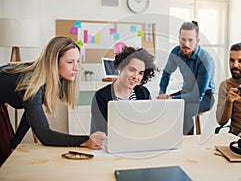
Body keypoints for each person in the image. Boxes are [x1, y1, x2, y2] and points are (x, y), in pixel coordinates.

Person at [0, 36, 106, 166]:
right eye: (70, 62)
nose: (76, 68)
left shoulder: (46, 81)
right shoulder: (32, 84)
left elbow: (30, 115)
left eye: (77, 61)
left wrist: (14, 145)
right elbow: (45, 135)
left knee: (7, 153)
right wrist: (86, 140)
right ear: (53, 63)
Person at [157, 21, 215, 135]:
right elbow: (166, 73)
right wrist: (162, 93)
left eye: (190, 40)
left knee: (185, 110)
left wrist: (172, 98)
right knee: (165, 104)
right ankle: (170, 138)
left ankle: (188, 143)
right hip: (187, 91)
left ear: (197, 41)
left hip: (205, 98)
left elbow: (196, 96)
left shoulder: (205, 60)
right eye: (183, 39)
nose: (186, 44)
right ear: (179, 39)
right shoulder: (176, 52)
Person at [90, 46, 156, 134]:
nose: (135, 76)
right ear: (121, 67)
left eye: (140, 73)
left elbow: (148, 123)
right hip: (111, 143)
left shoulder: (143, 92)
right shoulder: (101, 97)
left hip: (139, 140)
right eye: (132, 70)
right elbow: (102, 131)